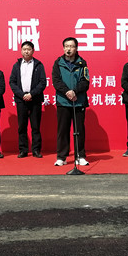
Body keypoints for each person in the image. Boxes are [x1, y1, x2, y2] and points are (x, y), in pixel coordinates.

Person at [52, 37, 90, 166]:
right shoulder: (58, 63)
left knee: (79, 130)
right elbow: (56, 81)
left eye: (71, 46)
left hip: (78, 101)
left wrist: (75, 91)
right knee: (63, 130)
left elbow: (85, 81)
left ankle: (80, 156)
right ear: (63, 48)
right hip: (63, 101)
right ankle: (62, 157)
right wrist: (67, 92)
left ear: (76, 48)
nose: (69, 49)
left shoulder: (82, 63)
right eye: (66, 46)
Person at [8, 41, 46, 158]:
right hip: (21, 100)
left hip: (35, 99)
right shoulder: (16, 65)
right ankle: (23, 150)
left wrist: (31, 94)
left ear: (33, 51)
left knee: (35, 126)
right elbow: (12, 82)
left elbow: (42, 82)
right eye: (24, 49)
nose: (26, 51)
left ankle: (36, 150)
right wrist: (22, 95)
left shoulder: (39, 65)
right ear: (21, 51)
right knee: (22, 126)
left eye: (29, 49)